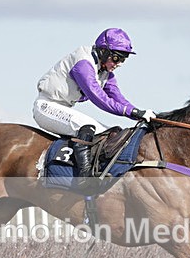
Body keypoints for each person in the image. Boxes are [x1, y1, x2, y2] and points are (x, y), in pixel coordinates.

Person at [33, 28, 156, 180]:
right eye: (117, 58)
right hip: (46, 106)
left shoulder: (105, 71)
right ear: (104, 51)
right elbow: (98, 97)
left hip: (62, 107)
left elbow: (117, 96)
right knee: (88, 127)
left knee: (108, 132)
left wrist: (138, 113)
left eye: (123, 59)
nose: (119, 64)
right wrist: (129, 112)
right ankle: (85, 177)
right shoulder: (83, 64)